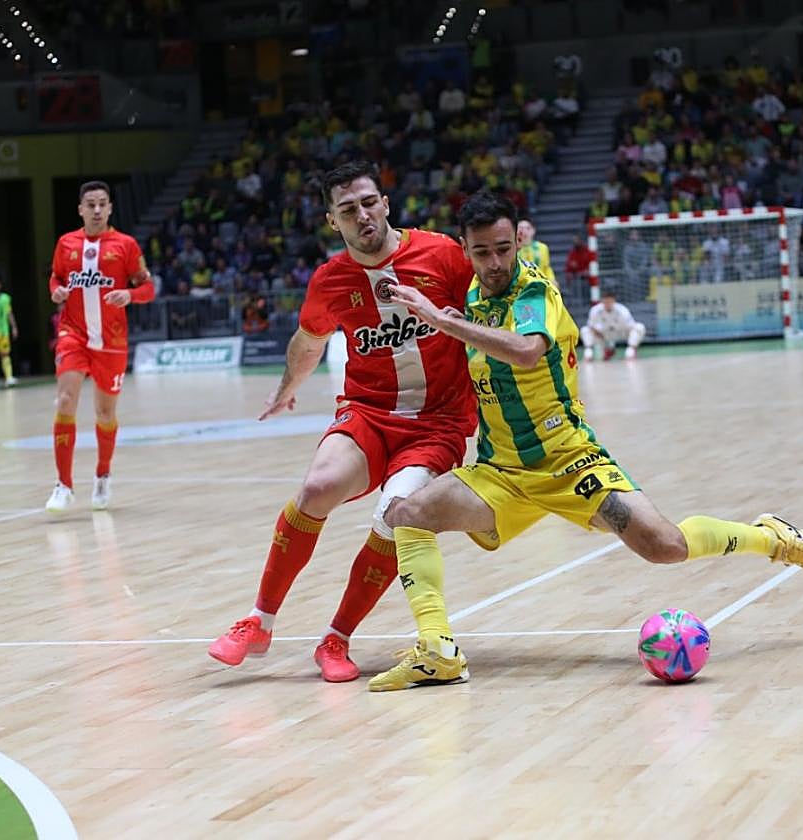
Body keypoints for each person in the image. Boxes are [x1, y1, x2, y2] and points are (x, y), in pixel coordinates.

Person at [371, 191, 803, 691]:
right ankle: (438, 650)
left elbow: (528, 353)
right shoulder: (470, 296)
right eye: (483, 252)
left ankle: (772, 538)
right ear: (465, 248)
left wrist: (443, 321)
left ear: (518, 242)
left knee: (664, 546)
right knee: (407, 512)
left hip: (570, 462)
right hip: (501, 473)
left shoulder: (534, 292)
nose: (496, 262)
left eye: (504, 248)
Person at [207, 161, 478, 682]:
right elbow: (308, 342)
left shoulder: (443, 253)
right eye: (348, 209)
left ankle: (337, 638)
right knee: (316, 487)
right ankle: (258, 622)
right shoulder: (330, 280)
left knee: (393, 515)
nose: (363, 215)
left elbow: (490, 310)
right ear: (333, 221)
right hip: (370, 413)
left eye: (369, 202)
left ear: (386, 203)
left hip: (438, 424)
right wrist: (286, 391)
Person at [45, 180, 157, 513]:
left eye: (102, 204)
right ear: (80, 209)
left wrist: (130, 295)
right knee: (66, 399)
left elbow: (148, 288)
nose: (96, 210)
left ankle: (102, 474)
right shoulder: (66, 243)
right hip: (73, 334)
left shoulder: (125, 245)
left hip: (111, 342)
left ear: (109, 208)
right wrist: (56, 291)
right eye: (90, 204)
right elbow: (56, 278)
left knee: (105, 413)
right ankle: (63, 485)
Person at [581, 290, 645, 361]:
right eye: (605, 301)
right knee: (585, 330)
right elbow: (591, 326)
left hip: (621, 333)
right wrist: (600, 338)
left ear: (614, 301)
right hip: (604, 335)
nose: (607, 304)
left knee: (639, 327)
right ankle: (589, 353)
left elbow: (632, 326)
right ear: (602, 301)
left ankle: (631, 351)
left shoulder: (622, 310)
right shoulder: (595, 310)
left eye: (610, 301)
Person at [516, 219, 556, 285]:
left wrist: (552, 279)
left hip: (540, 283)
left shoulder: (542, 248)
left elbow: (546, 268)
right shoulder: (513, 249)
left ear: (533, 230)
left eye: (528, 228)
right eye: (520, 228)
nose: (524, 231)